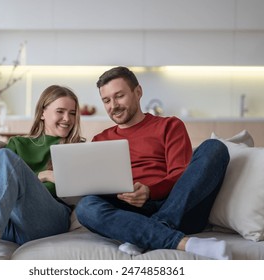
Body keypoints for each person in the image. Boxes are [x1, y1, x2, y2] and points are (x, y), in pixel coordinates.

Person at [75, 66, 231, 260]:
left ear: (138, 92)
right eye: (106, 100)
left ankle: (148, 232)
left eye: (119, 96)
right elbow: (99, 185)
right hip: (128, 211)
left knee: (214, 148)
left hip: (176, 206)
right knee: (85, 207)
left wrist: (149, 191)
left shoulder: (169, 126)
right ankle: (169, 238)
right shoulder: (100, 140)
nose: (113, 105)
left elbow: (180, 174)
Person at [0, 85, 84, 257]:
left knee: (5, 157)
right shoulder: (19, 144)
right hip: (7, 221)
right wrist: (42, 176)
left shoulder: (77, 147)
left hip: (48, 220)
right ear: (43, 113)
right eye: (60, 111)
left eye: (72, 113)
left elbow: (84, 192)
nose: (67, 118)